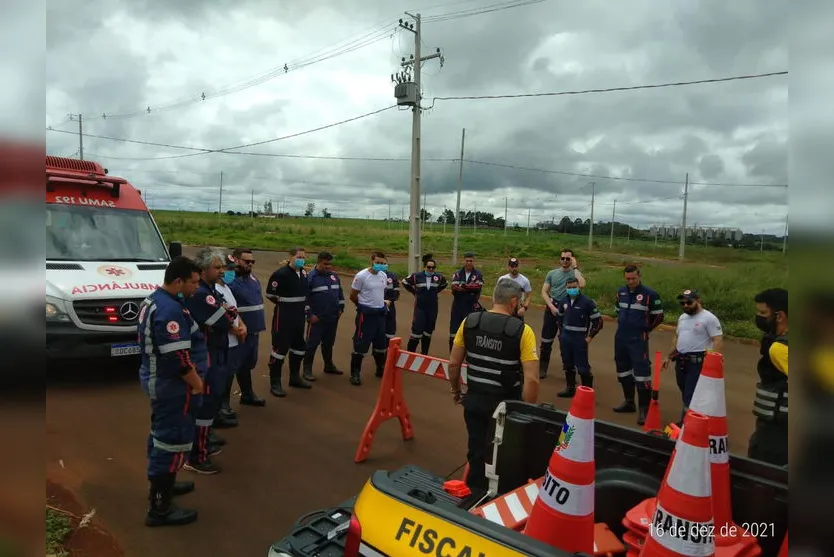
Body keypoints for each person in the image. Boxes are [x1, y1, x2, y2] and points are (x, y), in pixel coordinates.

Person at [448, 279, 540, 490]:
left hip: (475, 402)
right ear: (514, 301)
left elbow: (453, 364)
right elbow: (532, 379)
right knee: (506, 458)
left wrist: (456, 390)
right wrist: (527, 411)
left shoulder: (469, 322)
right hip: (506, 408)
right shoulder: (523, 331)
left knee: (477, 453)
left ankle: (473, 498)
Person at [138, 255, 203, 527]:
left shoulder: (157, 299)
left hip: (160, 381)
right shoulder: (170, 310)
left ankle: (164, 485)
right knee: (170, 440)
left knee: (161, 434)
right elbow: (177, 359)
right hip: (170, 385)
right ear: (178, 281)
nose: (196, 288)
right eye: (193, 283)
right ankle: (160, 508)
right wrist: (197, 383)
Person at [183, 248, 239, 475]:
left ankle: (203, 445)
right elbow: (225, 319)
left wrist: (228, 313)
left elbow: (228, 313)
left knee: (212, 400)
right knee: (205, 404)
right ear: (204, 269)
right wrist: (229, 314)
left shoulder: (210, 291)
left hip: (216, 351)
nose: (221, 271)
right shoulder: (202, 294)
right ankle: (197, 455)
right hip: (207, 354)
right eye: (217, 267)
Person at [613, 264, 665, 425]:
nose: (631, 281)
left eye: (633, 278)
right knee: (623, 371)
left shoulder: (650, 294)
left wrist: (645, 329)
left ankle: (644, 409)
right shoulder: (620, 292)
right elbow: (617, 310)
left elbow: (658, 316)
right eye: (628, 279)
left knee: (642, 373)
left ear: (639, 276)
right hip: (621, 336)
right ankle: (629, 402)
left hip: (638, 338)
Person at [662, 289, 724, 421]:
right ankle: (695, 419)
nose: (685, 306)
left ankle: (687, 424)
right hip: (681, 360)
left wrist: (711, 361)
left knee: (691, 394)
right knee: (684, 391)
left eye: (689, 302)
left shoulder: (709, 318)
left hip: (698, 362)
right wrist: (668, 356)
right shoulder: (682, 317)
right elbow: (677, 337)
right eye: (682, 303)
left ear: (698, 301)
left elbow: (717, 340)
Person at [747, 287, 788, 466]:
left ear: (779, 316)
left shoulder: (780, 348)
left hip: (777, 433)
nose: (759, 317)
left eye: (763, 313)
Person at [266, 247, 312, 396]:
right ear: (290, 257)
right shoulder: (280, 274)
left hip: (299, 317)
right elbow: (270, 294)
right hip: (284, 317)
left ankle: (295, 377)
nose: (302, 259)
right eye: (299, 257)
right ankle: (275, 382)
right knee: (280, 349)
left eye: (304, 257)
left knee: (299, 347)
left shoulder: (303, 272)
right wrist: (285, 305)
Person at [539, 248, 586, 379]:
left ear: (572, 260)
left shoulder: (575, 274)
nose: (565, 261)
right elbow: (544, 291)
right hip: (552, 308)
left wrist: (575, 267)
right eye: (563, 258)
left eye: (568, 258)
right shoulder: (552, 273)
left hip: (568, 310)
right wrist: (551, 306)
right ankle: (542, 368)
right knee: (546, 340)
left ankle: (569, 371)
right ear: (559, 259)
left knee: (567, 342)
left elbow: (582, 284)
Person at [229, 248, 267, 407]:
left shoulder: (253, 279)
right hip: (238, 332)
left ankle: (247, 394)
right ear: (236, 260)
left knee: (248, 364)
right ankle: (223, 404)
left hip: (254, 330)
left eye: (252, 261)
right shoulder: (229, 281)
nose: (250, 264)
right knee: (232, 366)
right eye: (247, 261)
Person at [554, 277, 603, 397]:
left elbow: (598, 322)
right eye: (569, 287)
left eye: (574, 287)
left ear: (578, 287)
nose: (572, 289)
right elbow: (559, 319)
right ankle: (570, 389)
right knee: (567, 364)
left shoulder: (587, 302)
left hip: (579, 339)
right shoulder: (563, 301)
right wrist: (561, 334)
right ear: (566, 288)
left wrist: (590, 337)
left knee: (583, 368)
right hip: (566, 338)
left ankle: (587, 393)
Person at [214, 255, 248, 432]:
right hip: (225, 340)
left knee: (229, 376)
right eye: (228, 270)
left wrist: (242, 326)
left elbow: (234, 311)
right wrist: (236, 330)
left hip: (235, 340)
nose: (231, 273)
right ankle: (219, 410)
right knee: (222, 378)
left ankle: (224, 406)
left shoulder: (226, 288)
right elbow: (219, 317)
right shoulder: (214, 290)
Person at [348, 251, 390, 385]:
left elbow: (379, 293)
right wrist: (362, 307)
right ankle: (355, 373)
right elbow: (353, 295)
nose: (381, 265)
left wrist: (383, 303)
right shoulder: (361, 276)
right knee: (361, 343)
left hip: (380, 315)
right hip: (366, 316)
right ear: (372, 261)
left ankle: (380, 368)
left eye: (383, 263)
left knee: (381, 343)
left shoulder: (383, 275)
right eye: (378, 263)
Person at [303, 251, 345, 379]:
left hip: (332, 317)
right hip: (317, 318)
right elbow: (304, 298)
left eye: (330, 264)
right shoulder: (310, 277)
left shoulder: (334, 276)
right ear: (318, 262)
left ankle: (329, 365)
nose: (328, 266)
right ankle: (307, 369)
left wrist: (341, 308)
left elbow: (340, 293)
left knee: (328, 342)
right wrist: (310, 314)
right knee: (312, 344)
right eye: (325, 264)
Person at [402, 254, 448, 354]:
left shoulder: (439, 277)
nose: (431, 269)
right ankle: (410, 355)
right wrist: (414, 292)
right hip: (420, 308)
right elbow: (405, 282)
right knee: (417, 332)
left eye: (433, 267)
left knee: (428, 332)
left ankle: (424, 355)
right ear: (424, 267)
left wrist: (435, 291)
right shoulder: (416, 276)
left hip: (432, 308)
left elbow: (445, 284)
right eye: (429, 267)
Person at [449, 252, 485, 351]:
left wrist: (464, 287)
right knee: (454, 332)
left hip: (470, 307)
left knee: (469, 332)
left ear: (474, 261)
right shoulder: (457, 273)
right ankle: (452, 354)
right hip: (457, 306)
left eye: (471, 261)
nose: (469, 263)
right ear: (463, 261)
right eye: (467, 261)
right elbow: (454, 288)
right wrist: (470, 289)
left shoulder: (478, 275)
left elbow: (478, 288)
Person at [384, 267, 401, 341]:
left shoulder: (392, 276)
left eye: (384, 263)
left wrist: (390, 300)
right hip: (376, 306)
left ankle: (388, 350)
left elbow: (396, 292)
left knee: (390, 328)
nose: (382, 265)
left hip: (390, 305)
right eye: (380, 263)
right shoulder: (370, 276)